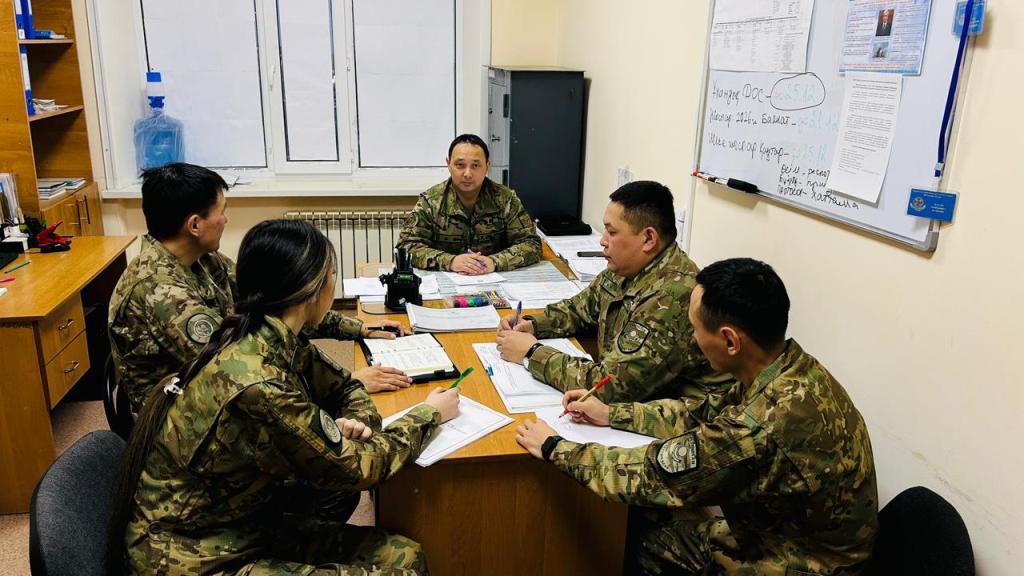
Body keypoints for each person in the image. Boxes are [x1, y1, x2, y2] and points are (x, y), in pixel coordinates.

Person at [107, 219, 461, 575]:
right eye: (331, 275)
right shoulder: (258, 381)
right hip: (192, 555)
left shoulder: (272, 335)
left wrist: (357, 424)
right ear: (309, 289)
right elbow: (360, 468)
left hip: (240, 522)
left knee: (405, 554)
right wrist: (428, 413)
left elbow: (344, 386)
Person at [515, 258, 879, 575]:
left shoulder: (760, 426)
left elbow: (649, 476)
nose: (691, 337)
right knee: (651, 519)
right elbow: (701, 413)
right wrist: (612, 413)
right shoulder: (790, 368)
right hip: (790, 535)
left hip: (801, 563)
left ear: (730, 341)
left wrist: (554, 447)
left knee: (636, 540)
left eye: (695, 328)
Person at [109, 163, 410, 413]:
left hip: (220, 390)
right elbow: (234, 369)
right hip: (182, 420)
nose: (226, 220)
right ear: (195, 225)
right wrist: (347, 382)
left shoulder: (202, 259)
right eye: (221, 211)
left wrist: (358, 328)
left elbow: (279, 299)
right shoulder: (159, 291)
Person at [495, 180, 725, 403]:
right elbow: (579, 309)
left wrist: (531, 353)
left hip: (677, 417)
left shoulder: (672, 296)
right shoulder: (627, 266)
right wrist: (533, 324)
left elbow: (610, 387)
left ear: (648, 238)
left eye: (612, 232)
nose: (602, 241)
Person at [397, 134, 541, 274]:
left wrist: (495, 262)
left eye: (475, 166)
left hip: (493, 278)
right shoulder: (431, 201)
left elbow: (531, 244)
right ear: (448, 164)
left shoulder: (505, 199)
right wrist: (450, 261)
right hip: (447, 280)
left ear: (487, 166)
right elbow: (406, 246)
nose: (467, 174)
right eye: (460, 165)